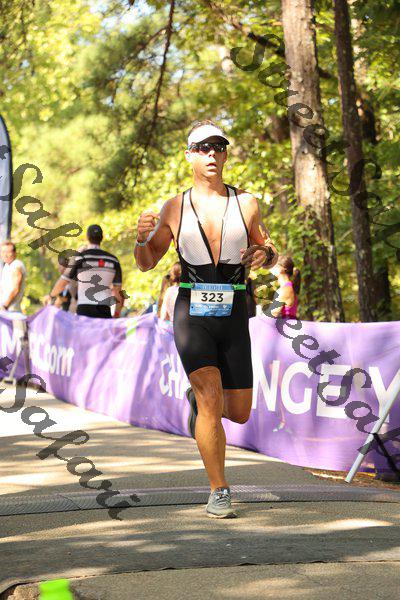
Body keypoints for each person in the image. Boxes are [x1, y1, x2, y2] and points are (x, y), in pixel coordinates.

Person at [134, 119, 278, 518]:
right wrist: (141, 238)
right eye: (202, 147)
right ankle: (219, 490)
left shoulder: (247, 203)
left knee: (239, 411)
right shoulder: (174, 207)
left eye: (218, 146)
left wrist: (264, 255)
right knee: (210, 398)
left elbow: (269, 249)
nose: (211, 153)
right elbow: (147, 262)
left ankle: (197, 404)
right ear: (189, 156)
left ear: (226, 154)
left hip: (234, 311)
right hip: (191, 313)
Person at [48, 224, 124, 318]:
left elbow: (63, 282)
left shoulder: (79, 258)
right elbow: (118, 291)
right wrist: (117, 314)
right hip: (104, 310)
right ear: (102, 237)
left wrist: (50, 296)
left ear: (87, 237)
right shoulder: (113, 260)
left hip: (84, 310)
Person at [0, 241, 27, 312]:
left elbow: (16, 289)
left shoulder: (17, 265)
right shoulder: (7, 266)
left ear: (14, 253)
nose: (5, 255)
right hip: (6, 310)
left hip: (11, 311)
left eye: (8, 252)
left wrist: (5, 306)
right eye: (3, 252)